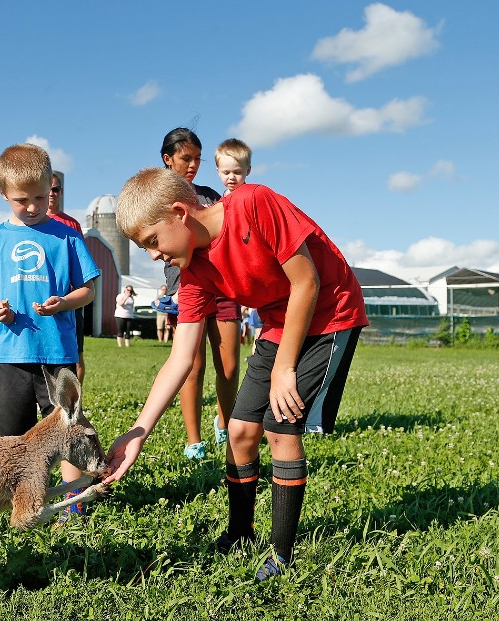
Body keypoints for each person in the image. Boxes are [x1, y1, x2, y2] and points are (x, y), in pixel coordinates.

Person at [104, 168, 368, 580]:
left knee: (280, 428)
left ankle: (281, 556)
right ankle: (240, 533)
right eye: (144, 247)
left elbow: (307, 282)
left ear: (180, 212)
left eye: (152, 241)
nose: (153, 254)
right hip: (278, 324)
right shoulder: (193, 275)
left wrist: (285, 368)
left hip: (329, 315)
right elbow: (179, 359)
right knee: (240, 431)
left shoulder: (252, 202)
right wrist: (138, 433)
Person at [0, 143, 101, 523]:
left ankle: (73, 503)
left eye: (41, 198)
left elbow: (88, 290)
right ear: (3, 194)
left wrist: (63, 302)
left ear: (52, 189)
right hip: (11, 353)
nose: (32, 206)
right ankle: (3, 503)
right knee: (7, 436)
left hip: (56, 352)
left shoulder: (67, 237)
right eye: (21, 200)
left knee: (67, 428)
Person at [159, 127, 241, 460]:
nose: (193, 165)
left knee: (231, 367)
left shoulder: (212, 196)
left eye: (197, 159)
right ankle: (194, 440)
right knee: (192, 368)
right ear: (168, 159)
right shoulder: (159, 199)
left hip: (223, 288)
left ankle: (224, 423)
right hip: (186, 290)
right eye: (185, 158)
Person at [47, 170, 89, 384]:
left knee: (76, 356)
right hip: (42, 298)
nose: (52, 193)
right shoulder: (30, 223)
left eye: (56, 189)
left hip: (69, 301)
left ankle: (74, 401)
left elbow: (81, 264)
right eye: (49, 188)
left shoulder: (72, 225)